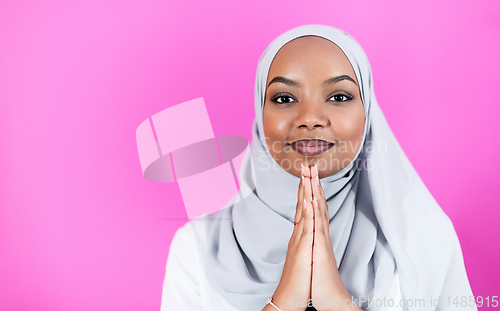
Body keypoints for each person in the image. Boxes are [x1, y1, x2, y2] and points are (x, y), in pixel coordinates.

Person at [160, 24, 476, 311]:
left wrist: (335, 300)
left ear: (368, 116)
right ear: (260, 112)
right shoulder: (198, 248)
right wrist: (285, 299)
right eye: (284, 98)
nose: (310, 117)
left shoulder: (423, 239)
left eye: (339, 96)